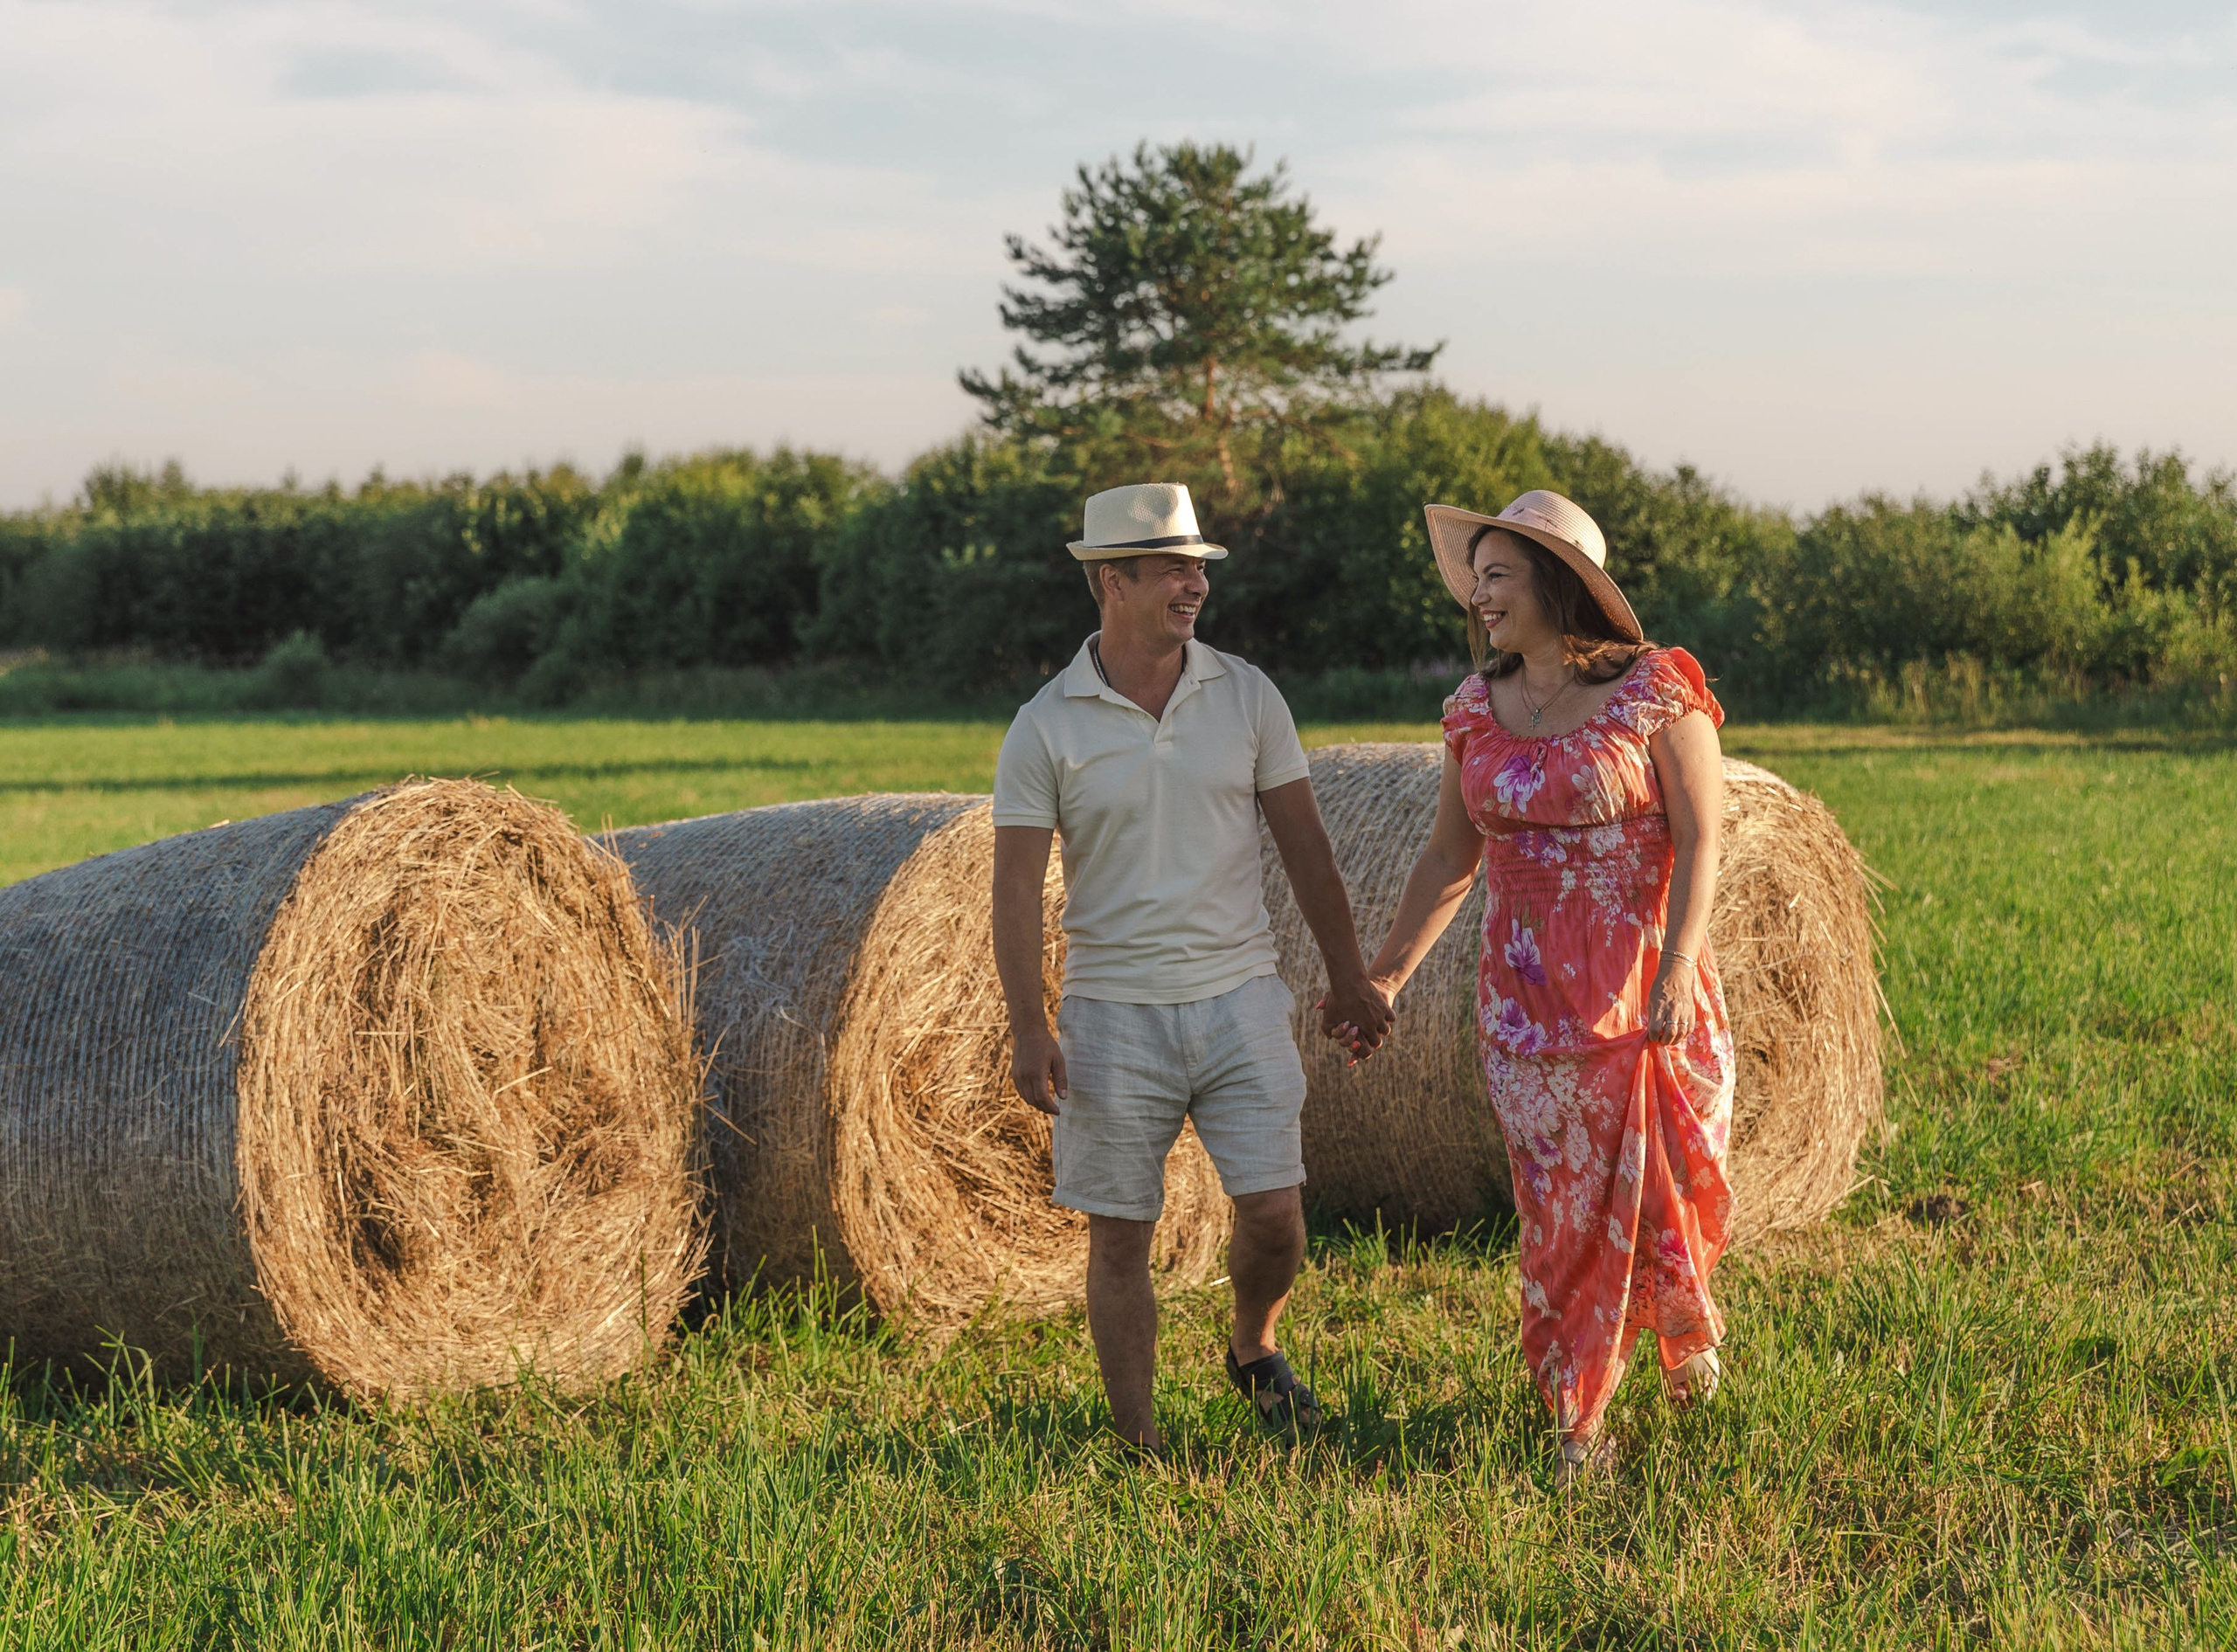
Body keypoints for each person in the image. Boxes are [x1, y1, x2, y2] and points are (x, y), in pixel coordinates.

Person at [1336, 488, 1736, 1490]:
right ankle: (1577, 1416)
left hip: (1638, 995)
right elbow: (1446, 858)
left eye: (1498, 574)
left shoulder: (1656, 691)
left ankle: (1680, 1348)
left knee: (1652, 1190)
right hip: (1522, 1008)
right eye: (1474, 577)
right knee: (1557, 1214)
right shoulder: (1475, 710)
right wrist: (1383, 977)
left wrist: (1677, 969)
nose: (1477, 595)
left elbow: (1703, 838)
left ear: (1558, 584)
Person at [991, 481, 1394, 1456]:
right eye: (1172, 568)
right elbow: (1013, 886)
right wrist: (1029, 1024)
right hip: (1110, 1010)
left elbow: (1306, 848)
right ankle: (1139, 1440)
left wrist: (1349, 976)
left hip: (1240, 996)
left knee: (1277, 1215)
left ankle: (1254, 1344)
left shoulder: (1247, 695)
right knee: (1120, 1233)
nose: (1195, 584)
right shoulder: (1045, 725)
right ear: (1111, 582)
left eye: (1198, 567)